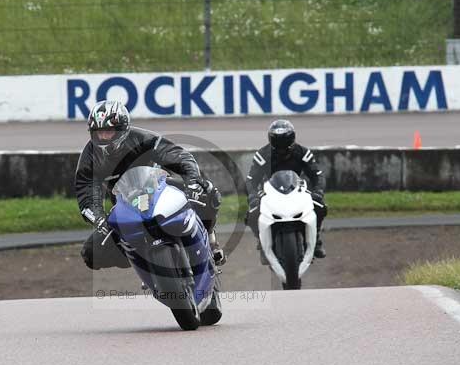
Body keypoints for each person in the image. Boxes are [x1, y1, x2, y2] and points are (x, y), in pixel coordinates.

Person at [75, 100, 226, 270]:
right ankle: (142, 262)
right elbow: (86, 190)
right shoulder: (89, 157)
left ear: (123, 129)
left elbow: (178, 156)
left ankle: (211, 241)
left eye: (108, 132)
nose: (103, 137)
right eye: (98, 133)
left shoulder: (143, 139)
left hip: (161, 188)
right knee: (91, 253)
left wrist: (192, 181)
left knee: (208, 191)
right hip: (124, 204)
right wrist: (99, 219)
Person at [245, 119, 328, 259]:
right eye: (278, 142)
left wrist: (318, 192)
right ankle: (262, 240)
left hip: (298, 190)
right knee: (252, 213)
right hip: (270, 192)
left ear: (292, 139)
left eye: (285, 142)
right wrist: (253, 196)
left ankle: (316, 240)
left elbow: (317, 175)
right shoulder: (262, 155)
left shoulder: (303, 152)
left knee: (319, 206)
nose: (282, 147)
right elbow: (251, 180)